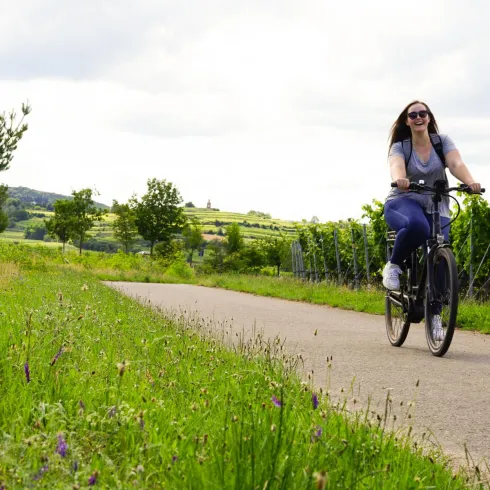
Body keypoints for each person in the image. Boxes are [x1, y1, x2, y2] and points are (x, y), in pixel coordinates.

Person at [383, 101, 481, 339]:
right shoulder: (401, 146)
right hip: (403, 201)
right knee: (418, 226)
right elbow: (396, 166)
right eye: (413, 114)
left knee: (441, 253)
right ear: (407, 120)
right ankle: (393, 266)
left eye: (422, 113)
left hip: (437, 204)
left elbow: (455, 163)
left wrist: (470, 182)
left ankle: (435, 316)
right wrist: (401, 178)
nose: (418, 117)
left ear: (428, 118)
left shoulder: (441, 142)